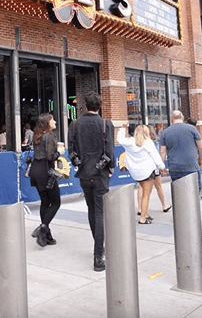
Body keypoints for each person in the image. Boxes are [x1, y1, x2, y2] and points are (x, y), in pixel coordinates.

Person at [68, 91, 113, 272]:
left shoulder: (75, 124)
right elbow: (110, 151)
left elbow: (71, 151)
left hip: (84, 173)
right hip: (100, 173)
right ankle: (98, 256)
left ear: (85, 105)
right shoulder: (105, 124)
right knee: (100, 212)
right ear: (99, 106)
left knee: (92, 210)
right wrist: (110, 167)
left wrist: (79, 163)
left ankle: (98, 246)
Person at [27, 113, 66, 246]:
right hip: (45, 171)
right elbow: (50, 157)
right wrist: (60, 152)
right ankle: (43, 228)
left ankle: (46, 235)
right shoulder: (49, 136)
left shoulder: (36, 135)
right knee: (55, 202)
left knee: (45, 202)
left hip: (36, 170)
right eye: (52, 120)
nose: (55, 121)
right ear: (47, 123)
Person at [118, 124, 167, 224]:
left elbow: (120, 139)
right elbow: (156, 157)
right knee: (146, 195)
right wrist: (162, 168)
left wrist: (123, 128)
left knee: (143, 192)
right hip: (147, 171)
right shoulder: (148, 143)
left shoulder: (130, 142)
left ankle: (145, 213)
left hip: (136, 172)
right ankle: (143, 218)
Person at [161, 110, 202, 199]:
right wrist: (201, 159)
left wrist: (162, 167)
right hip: (191, 166)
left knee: (179, 195)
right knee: (193, 195)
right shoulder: (192, 129)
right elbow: (201, 147)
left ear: (171, 119)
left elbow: (162, 152)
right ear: (182, 118)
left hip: (175, 168)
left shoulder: (165, 132)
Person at [147, 126, 171, 213]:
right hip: (154, 168)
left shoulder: (140, 143)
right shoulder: (154, 143)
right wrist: (162, 167)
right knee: (158, 187)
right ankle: (164, 205)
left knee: (143, 189)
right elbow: (158, 155)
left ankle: (141, 209)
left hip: (144, 169)